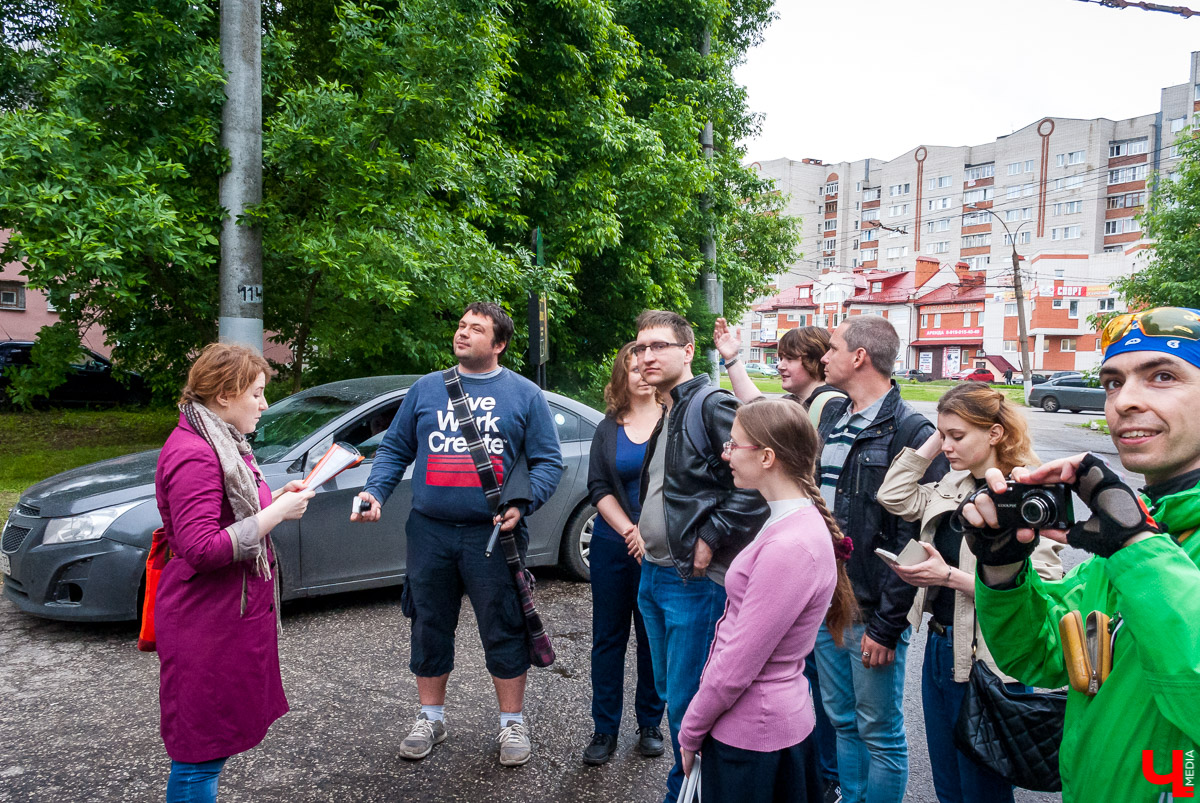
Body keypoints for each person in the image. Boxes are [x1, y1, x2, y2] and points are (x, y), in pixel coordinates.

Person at [959, 306, 1200, 802]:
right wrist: (1003, 571)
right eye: (1113, 382)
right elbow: (1046, 656)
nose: (1124, 401)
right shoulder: (1145, 534)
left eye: (1162, 376)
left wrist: (1135, 542)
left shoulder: (1140, 545)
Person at [353, 302, 564, 767]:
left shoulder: (525, 395)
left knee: (504, 626)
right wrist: (375, 493)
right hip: (429, 532)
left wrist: (522, 503)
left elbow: (549, 462)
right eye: (461, 326)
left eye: (476, 329)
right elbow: (394, 449)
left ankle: (512, 725)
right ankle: (431, 717)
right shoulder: (426, 389)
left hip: (493, 536)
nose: (463, 333)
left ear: (499, 344)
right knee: (428, 624)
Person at [875, 382, 1063, 803]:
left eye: (957, 436)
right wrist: (936, 441)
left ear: (994, 434)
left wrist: (948, 578)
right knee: (948, 785)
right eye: (943, 435)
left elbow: (1045, 594)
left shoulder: (1027, 495)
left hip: (991, 660)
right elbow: (894, 495)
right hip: (941, 649)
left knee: (982, 790)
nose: (946, 447)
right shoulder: (955, 483)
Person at [154, 343, 315, 802]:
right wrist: (277, 513)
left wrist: (276, 498)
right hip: (205, 624)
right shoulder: (195, 453)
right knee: (197, 756)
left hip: (226, 617)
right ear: (225, 394)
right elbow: (200, 547)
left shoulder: (220, 440)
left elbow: (231, 511)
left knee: (211, 748)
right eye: (258, 394)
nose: (265, 406)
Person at [678, 399, 856, 803]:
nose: (726, 455)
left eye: (733, 445)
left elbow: (739, 663)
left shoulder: (790, 546)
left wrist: (690, 730)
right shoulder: (789, 520)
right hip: (765, 727)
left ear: (767, 456)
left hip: (754, 736)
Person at [633, 309, 769, 802]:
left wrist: (713, 534)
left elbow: (760, 480)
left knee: (692, 704)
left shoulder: (709, 404)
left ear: (688, 351)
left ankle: (687, 794)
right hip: (655, 573)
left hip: (693, 580)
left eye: (658, 346)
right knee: (674, 695)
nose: (646, 355)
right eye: (640, 347)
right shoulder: (669, 408)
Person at [811, 315, 947, 803]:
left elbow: (918, 536)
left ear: (859, 357)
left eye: (831, 348)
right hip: (827, 605)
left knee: (880, 732)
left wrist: (888, 625)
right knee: (843, 722)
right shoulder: (832, 416)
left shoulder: (912, 429)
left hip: (872, 610)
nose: (823, 356)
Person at [714, 316, 846, 802]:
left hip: (761, 729)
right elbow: (759, 415)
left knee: (834, 697)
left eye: (791, 357)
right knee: (798, 669)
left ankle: (829, 780)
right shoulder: (795, 409)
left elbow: (736, 664)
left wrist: (692, 731)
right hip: (779, 717)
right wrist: (732, 359)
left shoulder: (828, 404)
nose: (783, 365)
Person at [581, 342, 666, 765]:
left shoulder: (674, 421)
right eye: (633, 369)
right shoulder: (608, 427)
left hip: (662, 549)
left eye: (648, 368)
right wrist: (631, 530)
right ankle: (604, 728)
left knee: (653, 637)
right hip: (615, 546)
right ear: (623, 377)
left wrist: (650, 534)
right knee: (608, 638)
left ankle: (651, 723)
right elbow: (598, 488)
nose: (643, 375)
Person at [714, 317, 844, 415]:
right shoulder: (794, 403)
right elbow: (757, 409)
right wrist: (731, 359)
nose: (780, 366)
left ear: (816, 359)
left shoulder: (833, 407)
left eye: (790, 358)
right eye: (781, 358)